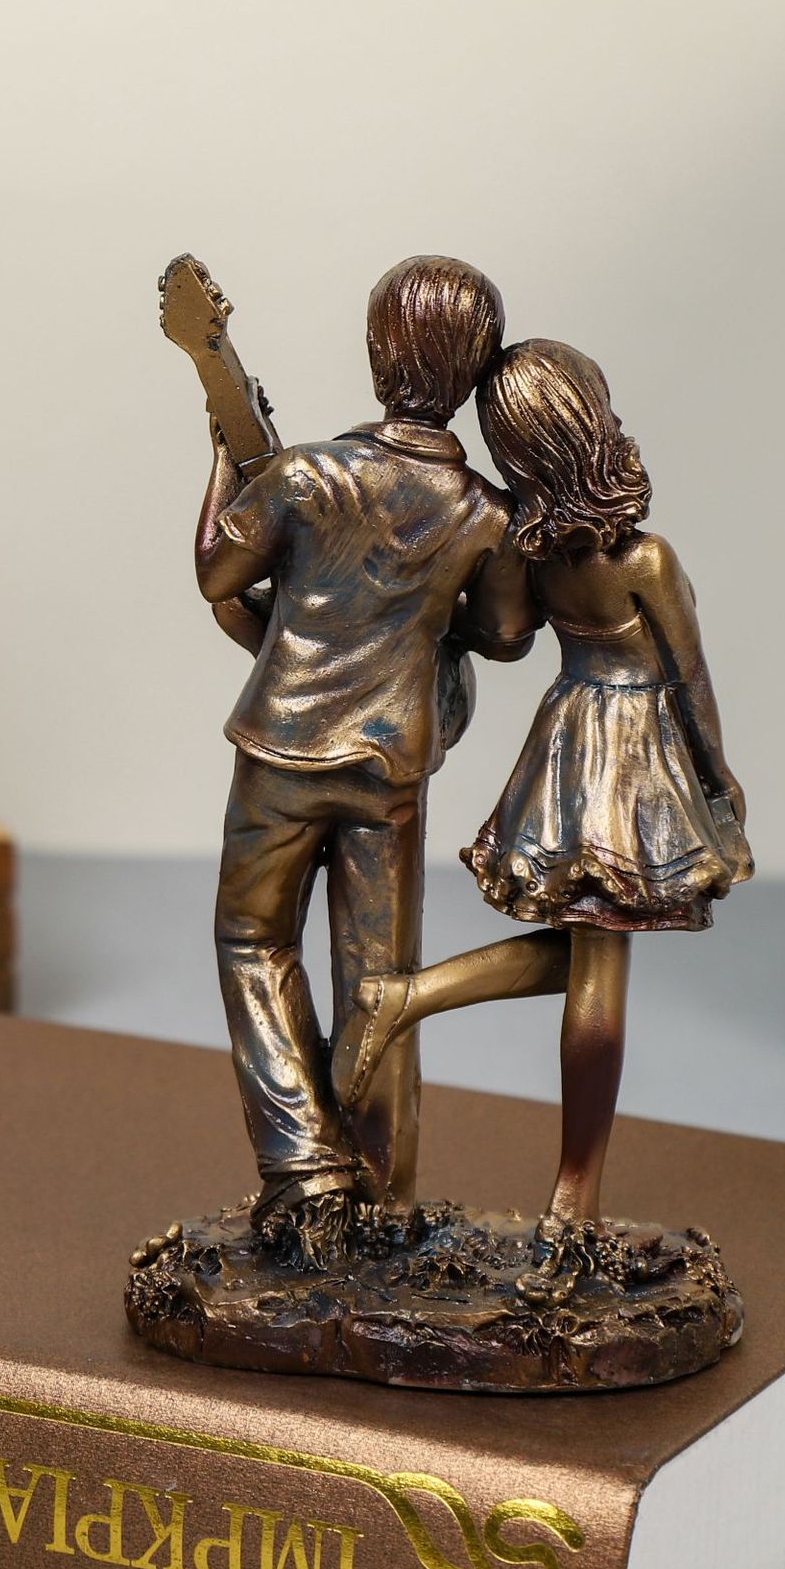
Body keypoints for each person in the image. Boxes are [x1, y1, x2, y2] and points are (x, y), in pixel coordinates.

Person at [331, 337, 752, 1301]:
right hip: (637, 761)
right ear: (589, 429)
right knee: (602, 970)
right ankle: (572, 1192)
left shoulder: (532, 550)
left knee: (587, 955)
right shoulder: (646, 558)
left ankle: (410, 999)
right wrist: (720, 780)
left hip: (568, 745)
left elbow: (507, 635)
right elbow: (690, 678)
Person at [196, 257, 537, 1270]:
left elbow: (218, 572)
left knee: (252, 943)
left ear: (379, 353)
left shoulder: (304, 475)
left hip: (281, 752)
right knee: (383, 979)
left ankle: (305, 1167)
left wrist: (224, 462)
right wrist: (427, 623)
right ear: (473, 373)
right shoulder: (484, 513)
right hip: (391, 767)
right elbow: (507, 636)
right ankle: (383, 1195)